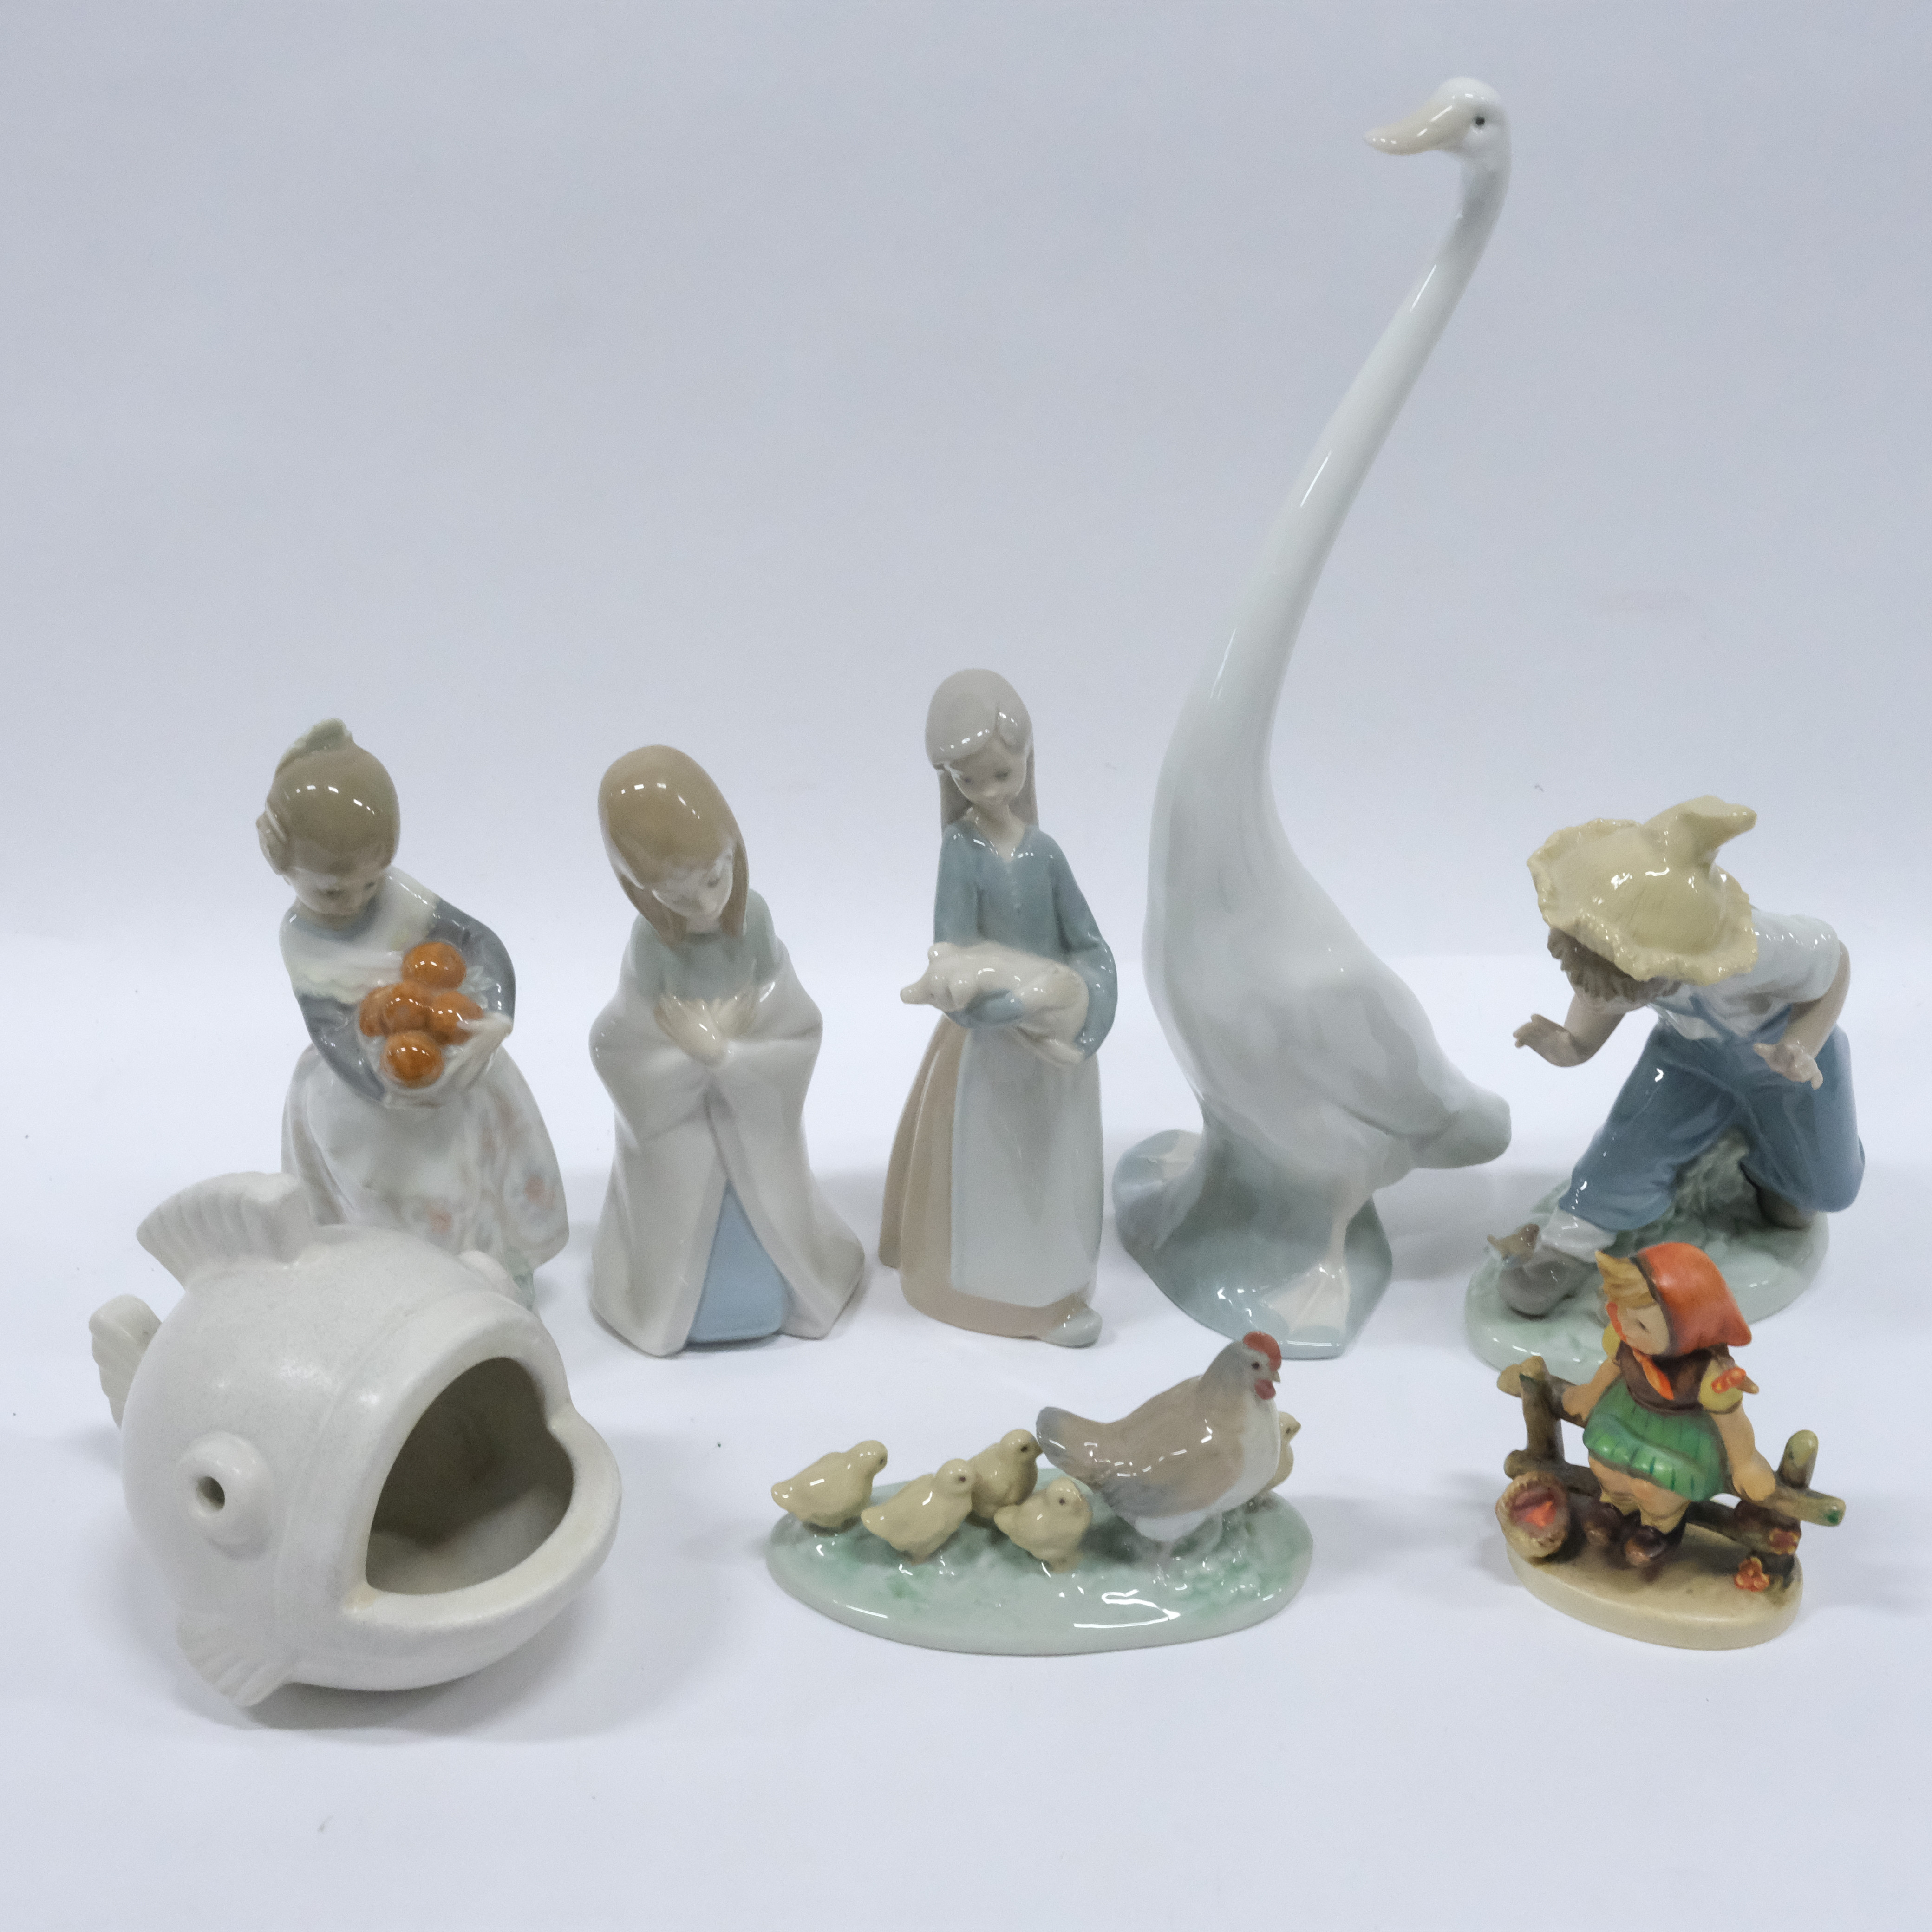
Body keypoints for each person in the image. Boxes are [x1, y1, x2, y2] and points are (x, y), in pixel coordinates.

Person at [1501, 796, 1862, 1317]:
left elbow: (1836, 963)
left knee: (1818, 1194)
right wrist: (1575, 1044)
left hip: (1783, 1063)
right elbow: (1600, 991)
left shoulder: (1756, 949)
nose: (1595, 994)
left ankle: (1767, 1168)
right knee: (1626, 1146)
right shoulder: (1609, 949)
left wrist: (1802, 1043)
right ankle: (1567, 1246)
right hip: (1688, 1059)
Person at [259, 720, 566, 1300]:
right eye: (332, 889)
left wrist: (495, 1017)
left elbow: (477, 941)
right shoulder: (300, 936)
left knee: (480, 1156)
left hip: (457, 1060)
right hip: (367, 1084)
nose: (356, 899)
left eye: (370, 882)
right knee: (391, 1183)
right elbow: (329, 1027)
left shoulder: (399, 895)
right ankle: (409, 1290)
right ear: (284, 866)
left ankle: (492, 1264)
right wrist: (388, 1088)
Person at [588, 746, 863, 1355]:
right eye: (677, 896)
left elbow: (792, 1017)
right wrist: (692, 1051)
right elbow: (624, 1040)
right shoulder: (650, 945)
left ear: (734, 851)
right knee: (688, 1233)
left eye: (714, 878)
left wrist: (732, 1049)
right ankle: (689, 1304)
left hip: (751, 1117)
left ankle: (777, 1288)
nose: (706, 904)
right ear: (644, 894)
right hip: (685, 1131)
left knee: (772, 1218)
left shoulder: (754, 920)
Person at [881, 671, 1116, 1346]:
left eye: (1002, 774)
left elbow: (1091, 947)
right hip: (988, 1047)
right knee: (987, 1179)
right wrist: (992, 1007)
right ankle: (998, 1300)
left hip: (1051, 1047)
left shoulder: (1045, 855)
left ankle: (1052, 1294)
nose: (987, 791)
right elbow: (951, 947)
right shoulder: (961, 850)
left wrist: (1088, 1018)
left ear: (1026, 762)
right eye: (969, 780)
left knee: (1051, 1172)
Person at [1560, 1243, 1777, 1568]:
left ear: (1688, 1328)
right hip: (1626, 1413)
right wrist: (1590, 1395)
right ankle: (1614, 1505)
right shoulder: (1624, 1342)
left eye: (1642, 1325)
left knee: (1656, 1488)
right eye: (1621, 1313)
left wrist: (1744, 1462)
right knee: (1605, 1465)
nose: (1626, 1329)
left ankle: (1659, 1526)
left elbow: (1731, 1420)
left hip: (1680, 1436)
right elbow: (1612, 1368)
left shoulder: (1707, 1374)